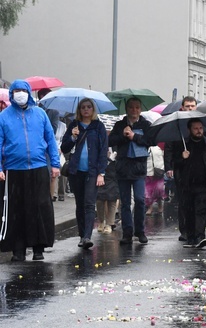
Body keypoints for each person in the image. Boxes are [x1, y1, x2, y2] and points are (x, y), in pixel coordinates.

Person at [0, 80, 60, 261]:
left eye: (23, 90)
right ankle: (18, 249)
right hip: (13, 170)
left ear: (28, 92)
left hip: (38, 167)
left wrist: (55, 164)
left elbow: (50, 139)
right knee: (16, 210)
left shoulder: (40, 114)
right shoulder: (4, 116)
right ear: (12, 94)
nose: (20, 93)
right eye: (16, 90)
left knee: (39, 208)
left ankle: (38, 248)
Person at [60, 98, 108, 250]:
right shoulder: (74, 126)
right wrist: (73, 137)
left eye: (89, 107)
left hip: (92, 171)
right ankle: (82, 235)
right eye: (83, 107)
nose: (86, 110)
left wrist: (101, 173)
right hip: (76, 171)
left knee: (89, 203)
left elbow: (103, 150)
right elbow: (65, 147)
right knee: (80, 204)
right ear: (79, 110)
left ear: (93, 110)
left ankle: (87, 236)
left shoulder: (98, 127)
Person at [173, 119, 206, 248]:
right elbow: (175, 164)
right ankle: (191, 238)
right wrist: (182, 158)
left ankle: (200, 236)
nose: (199, 131)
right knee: (189, 211)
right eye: (195, 128)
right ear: (190, 130)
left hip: (203, 184)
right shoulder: (183, 145)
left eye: (200, 128)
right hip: (187, 184)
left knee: (201, 210)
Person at [108, 97, 152, 245]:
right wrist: (123, 135)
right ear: (127, 109)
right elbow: (111, 141)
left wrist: (135, 137)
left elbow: (151, 141)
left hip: (139, 168)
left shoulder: (145, 124)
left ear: (140, 109)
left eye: (137, 107)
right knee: (125, 202)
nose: (134, 110)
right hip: (123, 168)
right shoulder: (120, 124)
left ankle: (140, 231)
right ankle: (127, 232)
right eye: (131, 107)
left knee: (140, 200)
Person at [164, 96, 198, 241]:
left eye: (192, 106)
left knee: (197, 199)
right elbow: (169, 148)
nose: (190, 109)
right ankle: (184, 229)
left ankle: (196, 228)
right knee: (183, 200)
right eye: (187, 106)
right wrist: (169, 166)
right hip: (180, 167)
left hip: (197, 168)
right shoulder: (176, 124)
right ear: (182, 107)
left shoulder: (200, 122)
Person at [145, 144, 166, 215]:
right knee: (149, 193)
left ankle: (158, 206)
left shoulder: (159, 148)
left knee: (158, 192)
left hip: (157, 173)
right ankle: (151, 207)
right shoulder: (146, 148)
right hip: (150, 173)